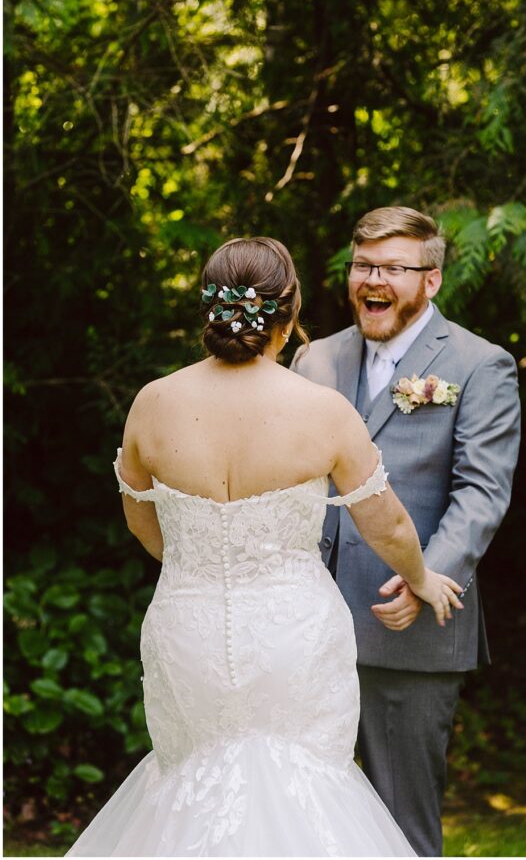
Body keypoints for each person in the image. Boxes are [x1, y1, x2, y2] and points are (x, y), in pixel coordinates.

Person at [68, 237, 464, 857]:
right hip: (294, 635)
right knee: (306, 792)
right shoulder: (323, 411)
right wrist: (420, 575)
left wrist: (201, 572)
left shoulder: (153, 404)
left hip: (186, 627)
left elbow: (144, 526)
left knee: (187, 786)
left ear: (209, 309)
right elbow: (384, 524)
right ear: (291, 310)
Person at [291, 206, 521, 857]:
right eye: (364, 265)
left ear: (431, 280)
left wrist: (426, 579)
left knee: (401, 825)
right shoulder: (314, 360)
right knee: (300, 813)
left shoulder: (480, 365)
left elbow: (482, 491)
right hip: (306, 626)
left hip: (409, 625)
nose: (374, 279)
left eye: (393, 267)